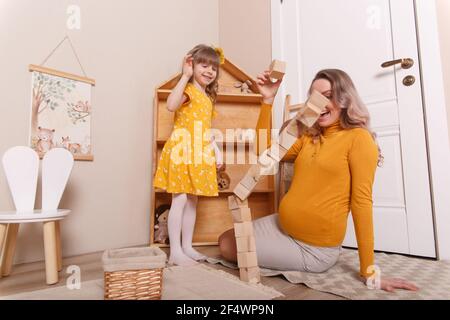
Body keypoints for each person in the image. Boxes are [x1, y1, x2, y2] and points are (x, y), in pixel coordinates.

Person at [218, 69, 419, 292]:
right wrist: (267, 101)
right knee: (225, 240)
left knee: (230, 247)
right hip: (282, 226)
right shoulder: (308, 137)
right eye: (315, 97)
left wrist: (369, 271)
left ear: (344, 98)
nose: (320, 103)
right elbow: (264, 154)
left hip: (311, 249)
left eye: (328, 95)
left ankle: (316, 259)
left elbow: (362, 203)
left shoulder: (358, 139)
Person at [154, 44, 224, 266]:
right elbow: (171, 106)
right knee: (180, 199)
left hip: (199, 152)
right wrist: (184, 76)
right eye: (204, 65)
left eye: (214, 68)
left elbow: (206, 129)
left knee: (193, 201)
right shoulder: (188, 90)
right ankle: (175, 251)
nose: (209, 71)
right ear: (192, 65)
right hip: (183, 150)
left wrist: (216, 150)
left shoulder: (207, 97)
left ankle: (186, 247)